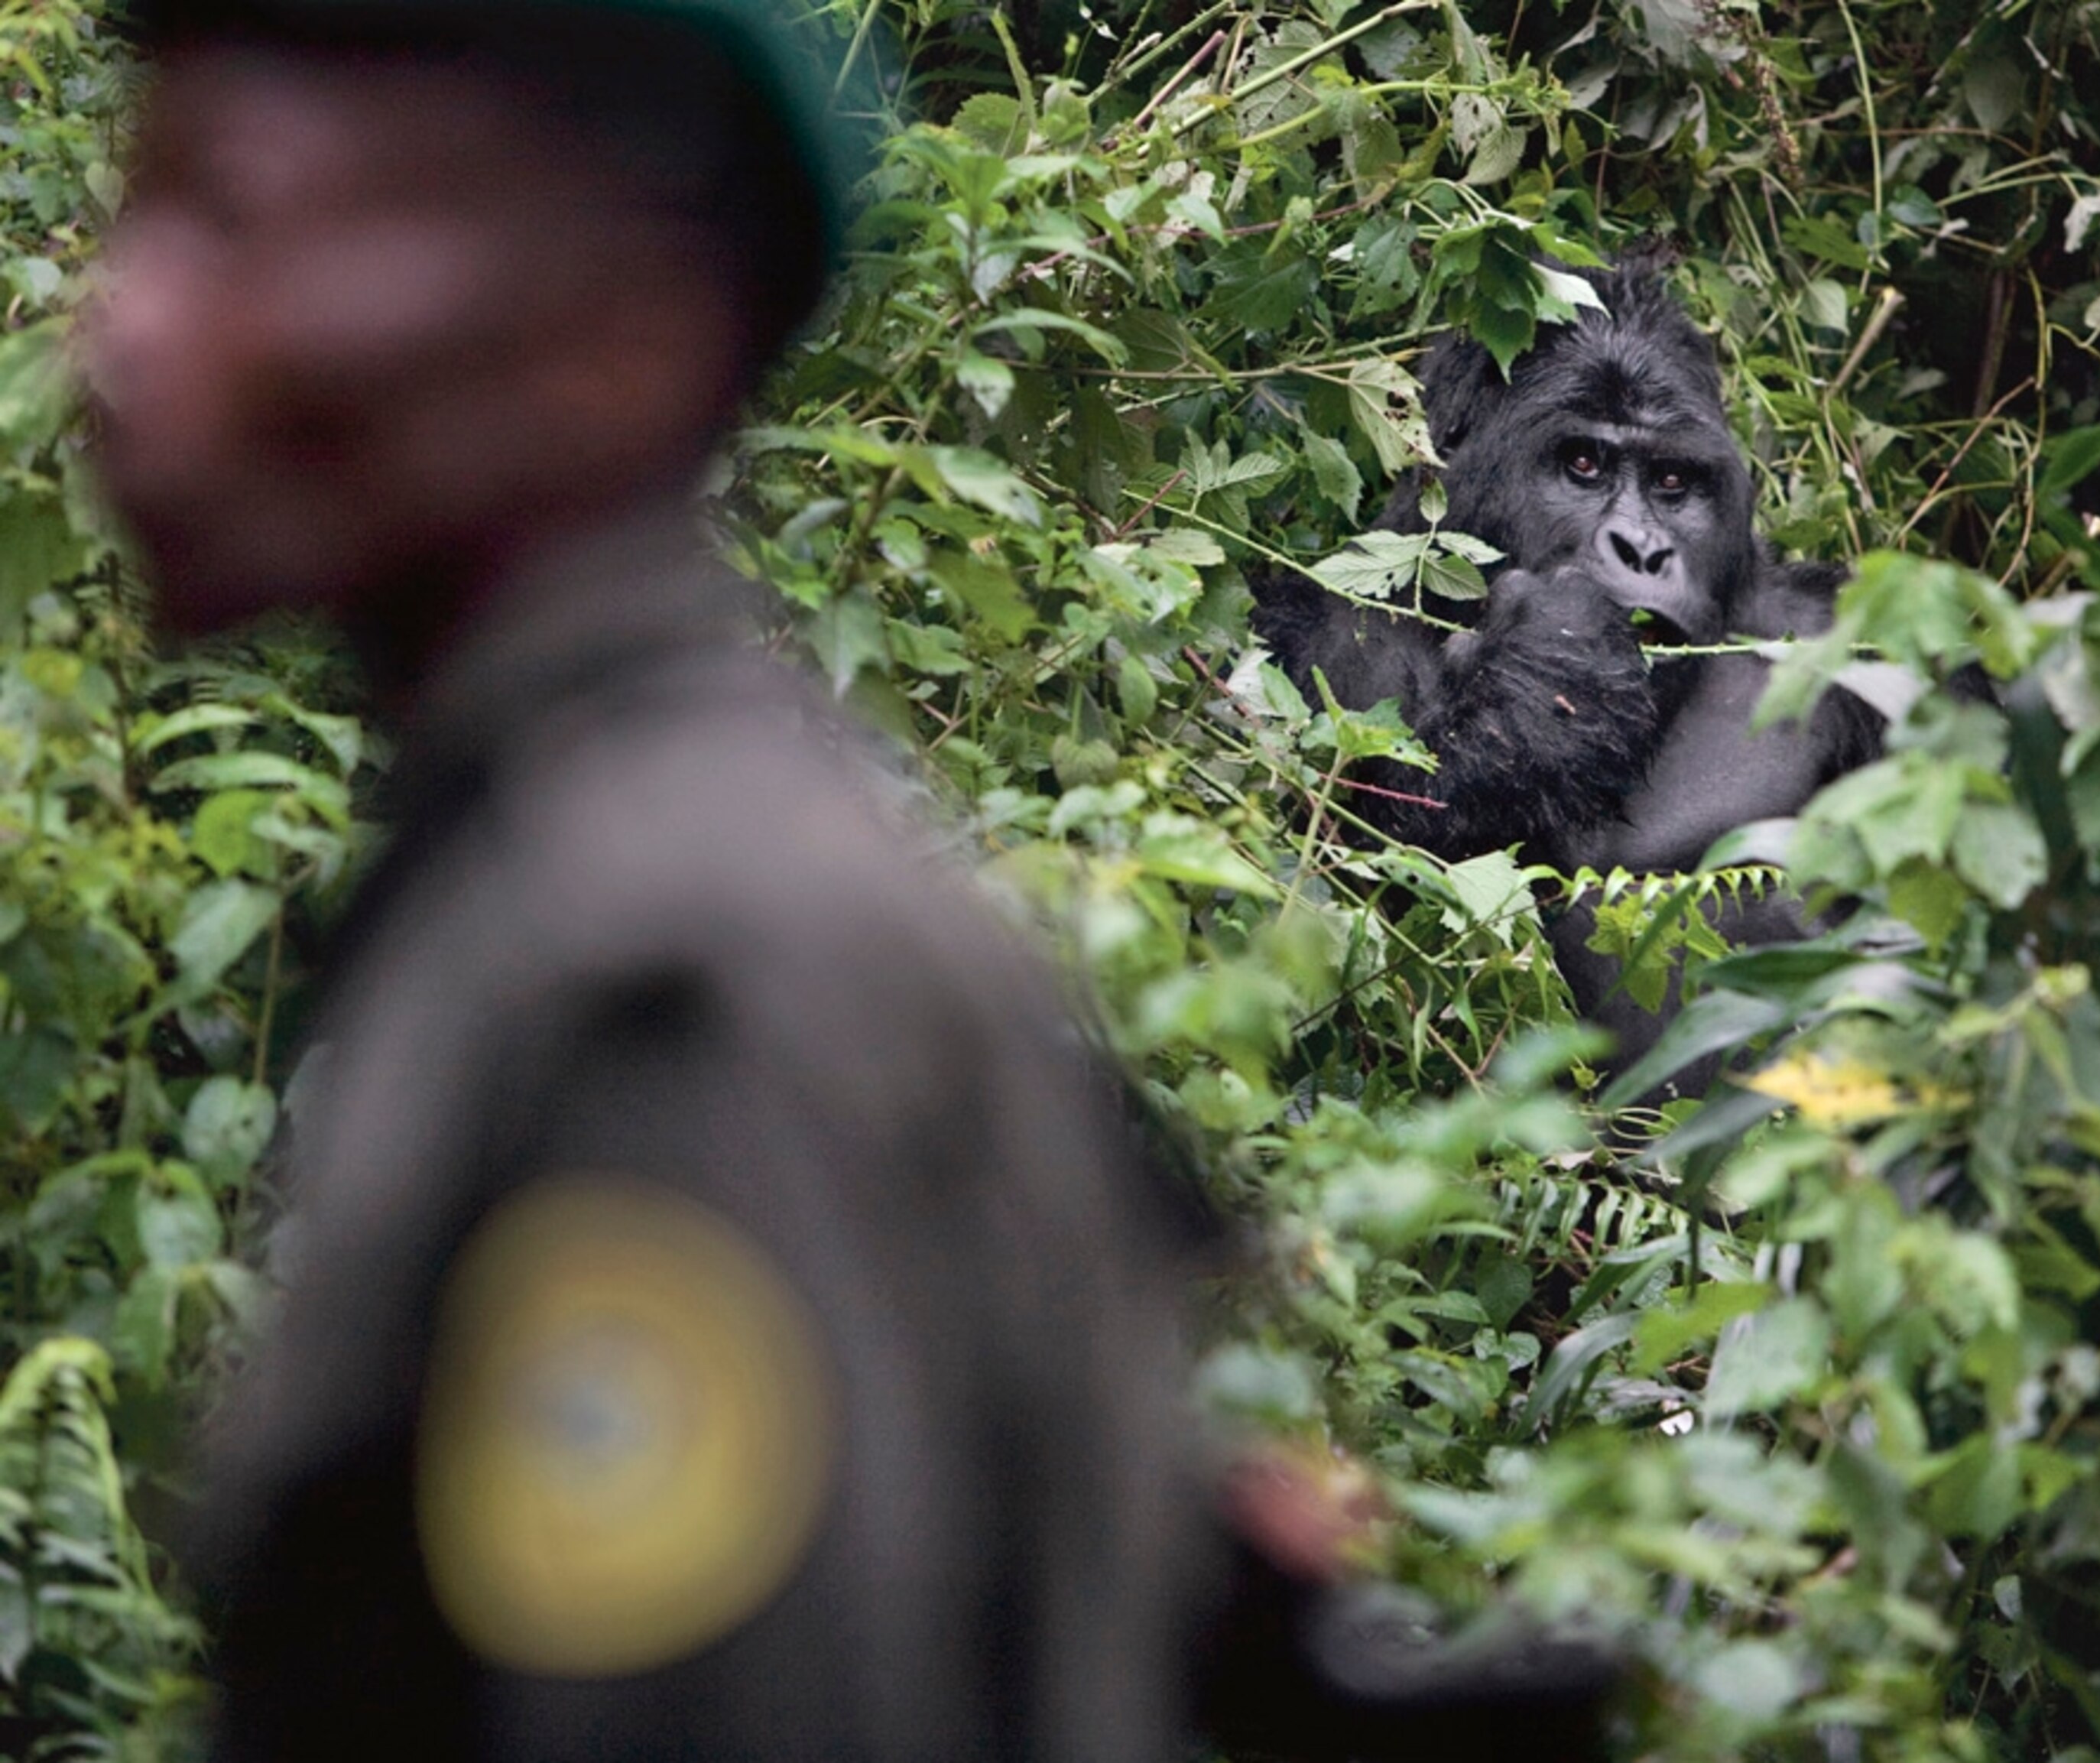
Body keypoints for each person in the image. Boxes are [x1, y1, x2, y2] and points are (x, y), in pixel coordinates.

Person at [85, 4, 1612, 1758]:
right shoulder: (589, 860)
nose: (120, 322)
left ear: (614, 342)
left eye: (230, 208)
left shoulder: (664, 967)